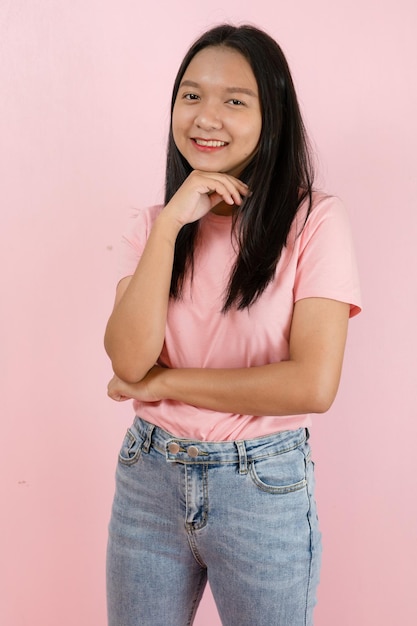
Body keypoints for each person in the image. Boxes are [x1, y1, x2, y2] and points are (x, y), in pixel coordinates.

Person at [104, 24, 361, 626]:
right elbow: (127, 361)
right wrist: (172, 225)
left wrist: (166, 384)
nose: (205, 117)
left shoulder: (315, 221)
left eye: (234, 100)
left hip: (262, 485)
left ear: (272, 116)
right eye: (191, 96)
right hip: (149, 478)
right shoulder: (149, 227)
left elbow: (312, 386)